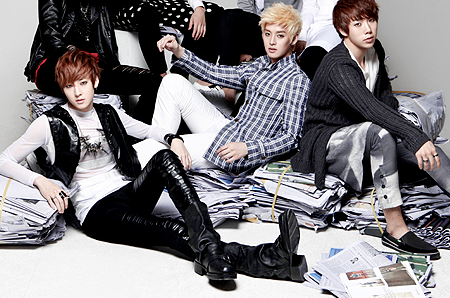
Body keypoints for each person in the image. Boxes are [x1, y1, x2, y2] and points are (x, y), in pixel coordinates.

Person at [2, 49, 308, 282]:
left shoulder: (108, 113)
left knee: (164, 158)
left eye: (83, 83)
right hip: (96, 210)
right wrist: (40, 181)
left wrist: (174, 139)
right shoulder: (49, 123)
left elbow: (150, 130)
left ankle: (257, 259)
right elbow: (3, 159)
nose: (78, 92)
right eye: (70, 86)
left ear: (94, 81)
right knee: (171, 230)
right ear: (62, 88)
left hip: (125, 190)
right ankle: (267, 259)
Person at [291, 0, 450, 259]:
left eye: (371, 20)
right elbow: (371, 108)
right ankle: (395, 229)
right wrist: (414, 137)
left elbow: (385, 98)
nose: (368, 29)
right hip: (326, 141)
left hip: (362, 136)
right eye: (358, 24)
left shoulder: (375, 50)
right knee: (387, 134)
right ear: (343, 30)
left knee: (430, 153)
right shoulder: (338, 66)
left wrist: (414, 139)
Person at [24, 0, 161, 123]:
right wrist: (84, 61)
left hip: (96, 68)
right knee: (78, 75)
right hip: (55, 64)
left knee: (156, 82)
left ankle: (134, 136)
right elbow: (51, 39)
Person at [154, 3, 310, 174]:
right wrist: (178, 50)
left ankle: (156, 151)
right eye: (267, 34)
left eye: (280, 35)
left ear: (293, 39)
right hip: (228, 128)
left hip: (236, 149)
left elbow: (291, 138)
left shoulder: (297, 80)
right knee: (172, 81)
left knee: (163, 151)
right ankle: (161, 138)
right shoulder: (260, 64)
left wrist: (248, 148)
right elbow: (214, 73)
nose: (272, 41)